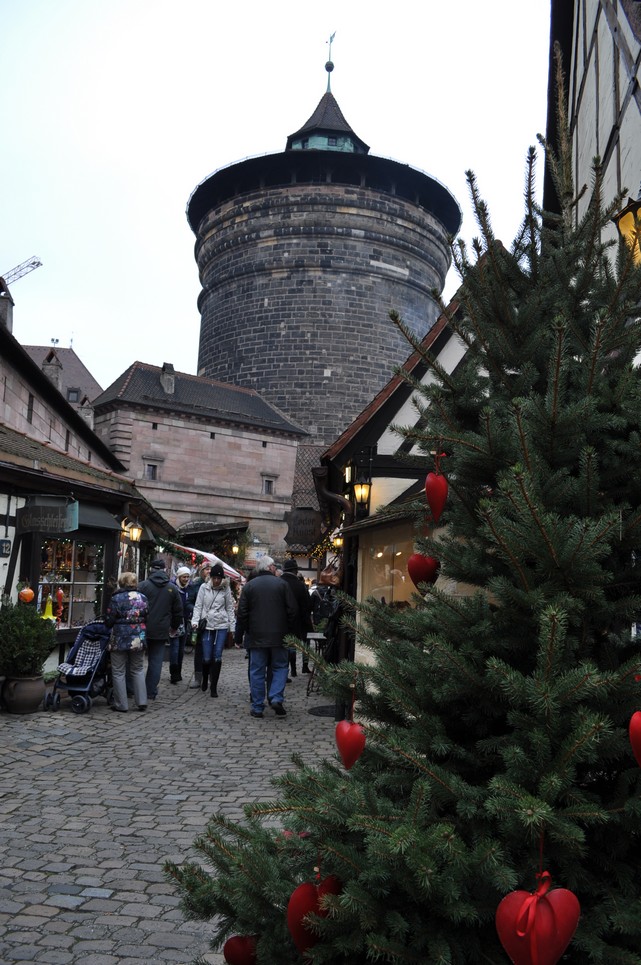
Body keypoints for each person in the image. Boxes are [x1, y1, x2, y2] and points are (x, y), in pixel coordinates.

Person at [235, 555, 297, 719]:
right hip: (279, 636)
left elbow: (241, 613)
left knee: (257, 671)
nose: (276, 569)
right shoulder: (282, 585)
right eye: (275, 567)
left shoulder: (249, 587)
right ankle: (276, 697)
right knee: (280, 667)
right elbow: (292, 611)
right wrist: (289, 631)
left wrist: (243, 633)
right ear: (270, 567)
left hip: (256, 637)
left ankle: (257, 707)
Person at [138, 558, 183, 701]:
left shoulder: (142, 586)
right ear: (164, 570)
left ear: (151, 569)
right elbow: (178, 612)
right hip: (161, 630)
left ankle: (133, 690)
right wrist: (174, 627)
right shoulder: (172, 589)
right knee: (156, 662)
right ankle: (150, 692)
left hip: (141, 628)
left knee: (136, 662)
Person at [104, 571, 148, 712]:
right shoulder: (143, 598)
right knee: (138, 669)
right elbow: (147, 615)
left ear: (121, 582)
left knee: (118, 671)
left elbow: (109, 619)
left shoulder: (116, 598)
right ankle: (142, 701)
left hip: (120, 637)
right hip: (138, 637)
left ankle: (121, 704)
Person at [191, 563, 235, 697]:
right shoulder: (204, 588)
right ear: (211, 577)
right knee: (206, 656)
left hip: (221, 625)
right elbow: (198, 606)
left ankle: (213, 686)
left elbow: (229, 608)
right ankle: (204, 678)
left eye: (219, 578)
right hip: (207, 624)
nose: (216, 581)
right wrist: (195, 621)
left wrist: (232, 627)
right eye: (214, 578)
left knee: (217, 656)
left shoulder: (225, 589)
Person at [280, 558, 313, 676]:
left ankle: (292, 668)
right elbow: (308, 605)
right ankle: (304, 666)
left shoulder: (279, 583)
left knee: (289, 645)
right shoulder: (300, 585)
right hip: (300, 621)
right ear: (295, 571)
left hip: (282, 621)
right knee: (305, 643)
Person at [186, 563, 210, 689]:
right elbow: (188, 602)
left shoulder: (217, 586)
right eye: (206, 569)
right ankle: (198, 678)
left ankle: (211, 676)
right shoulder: (196, 585)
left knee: (212, 650)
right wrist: (197, 612)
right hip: (199, 622)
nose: (209, 571)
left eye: (210, 569)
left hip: (212, 622)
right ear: (201, 571)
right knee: (199, 650)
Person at [169, 566, 191, 684]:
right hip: (175, 621)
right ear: (179, 576)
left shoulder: (189, 589)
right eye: (184, 576)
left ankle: (179, 671)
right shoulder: (173, 588)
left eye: (187, 577)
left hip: (185, 621)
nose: (186, 579)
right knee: (175, 648)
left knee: (181, 648)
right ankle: (174, 673)